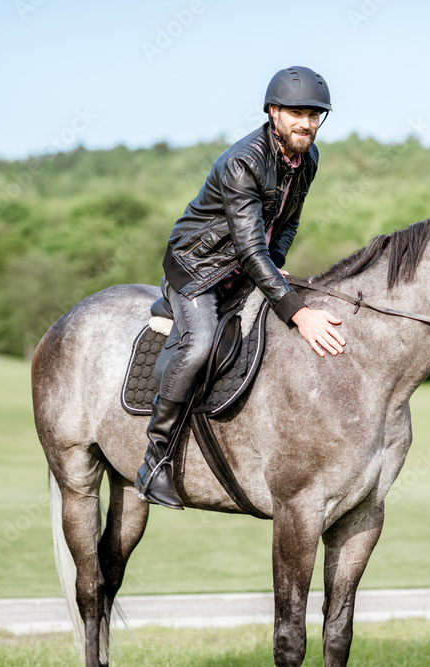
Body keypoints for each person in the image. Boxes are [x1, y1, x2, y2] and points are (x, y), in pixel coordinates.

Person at [135, 66, 346, 510]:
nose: (305, 123)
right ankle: (154, 460)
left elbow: (287, 224)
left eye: (313, 114)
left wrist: (277, 266)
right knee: (199, 344)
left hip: (246, 267)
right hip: (197, 268)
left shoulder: (308, 159)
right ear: (273, 112)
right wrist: (296, 310)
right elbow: (250, 248)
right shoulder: (243, 161)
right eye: (295, 113)